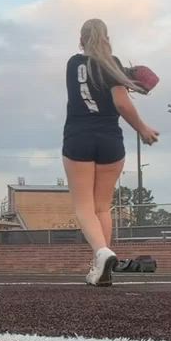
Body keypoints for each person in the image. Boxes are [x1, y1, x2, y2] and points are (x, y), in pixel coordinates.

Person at [63, 18, 160, 286]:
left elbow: (96, 79)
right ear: (107, 39)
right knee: (102, 207)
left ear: (81, 40)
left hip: (79, 138)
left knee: (84, 207)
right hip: (110, 141)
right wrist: (142, 129)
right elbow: (121, 103)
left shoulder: (73, 63)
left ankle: (102, 253)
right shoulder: (112, 64)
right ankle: (101, 264)